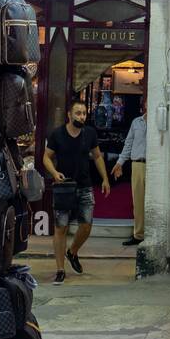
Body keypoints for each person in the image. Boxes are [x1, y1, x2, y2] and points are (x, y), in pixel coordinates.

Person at [43, 101, 110, 283]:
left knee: (86, 225)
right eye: (78, 113)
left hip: (85, 185)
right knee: (60, 227)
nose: (81, 116)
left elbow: (97, 156)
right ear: (69, 115)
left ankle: (72, 252)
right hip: (64, 187)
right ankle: (59, 269)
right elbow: (46, 157)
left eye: (84, 113)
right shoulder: (57, 134)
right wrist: (54, 173)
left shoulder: (89, 134)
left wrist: (105, 178)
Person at [112, 103, 147, 246]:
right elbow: (129, 143)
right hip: (137, 164)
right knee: (138, 201)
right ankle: (139, 235)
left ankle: (153, 233)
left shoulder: (161, 120)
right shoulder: (136, 122)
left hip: (155, 165)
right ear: (145, 105)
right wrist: (120, 162)